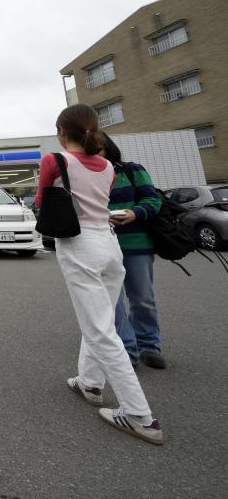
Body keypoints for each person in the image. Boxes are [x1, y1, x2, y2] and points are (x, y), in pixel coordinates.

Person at [37, 104, 163, 445]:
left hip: (80, 246)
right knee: (99, 319)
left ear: (62, 132)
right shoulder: (107, 165)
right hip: (109, 246)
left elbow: (40, 200)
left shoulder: (54, 160)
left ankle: (140, 415)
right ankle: (89, 382)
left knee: (100, 329)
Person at [100, 135, 166, 369]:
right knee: (112, 302)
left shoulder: (131, 170)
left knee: (142, 298)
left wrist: (134, 213)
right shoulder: (86, 175)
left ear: (106, 147)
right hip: (104, 246)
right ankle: (126, 350)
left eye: (96, 146)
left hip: (137, 243)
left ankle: (149, 344)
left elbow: (153, 200)